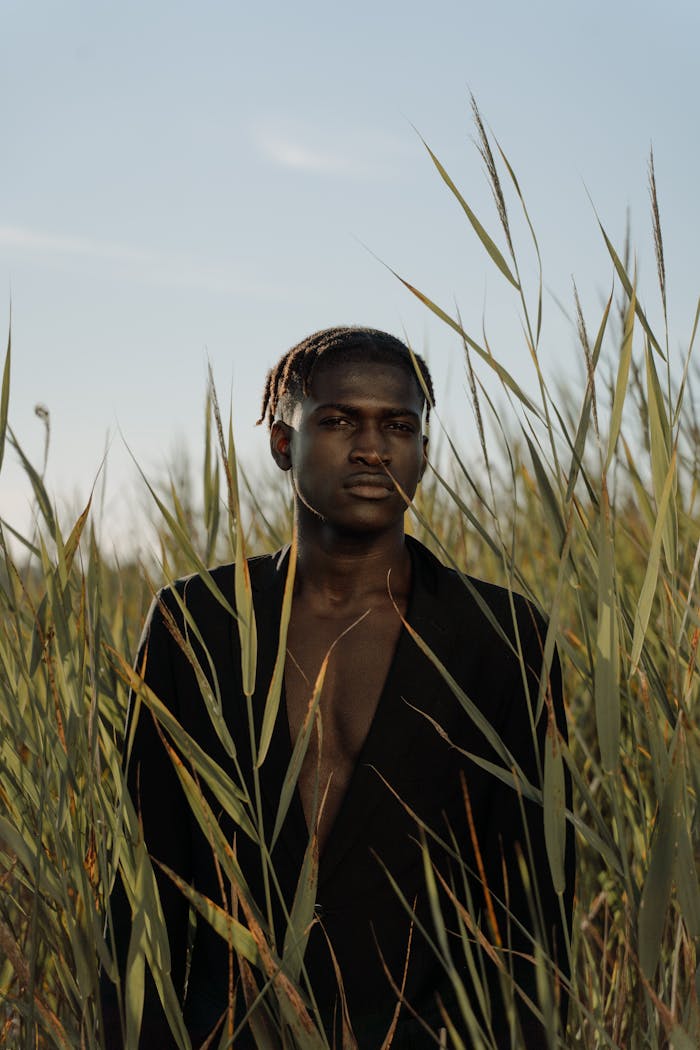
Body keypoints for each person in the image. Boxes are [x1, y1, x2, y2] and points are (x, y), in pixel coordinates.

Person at [102, 326, 574, 1049]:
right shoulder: (196, 623)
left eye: (398, 425)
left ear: (423, 450)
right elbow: (144, 884)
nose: (372, 448)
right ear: (283, 443)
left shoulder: (501, 637)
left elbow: (535, 909)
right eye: (338, 420)